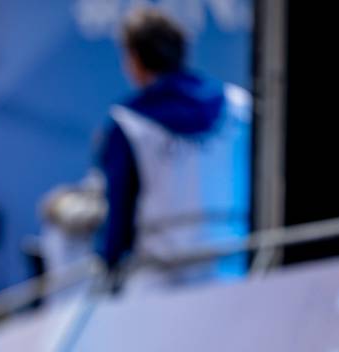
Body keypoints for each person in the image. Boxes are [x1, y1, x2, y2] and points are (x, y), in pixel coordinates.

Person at [92, 7, 252, 290]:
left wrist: (108, 264)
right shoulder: (240, 106)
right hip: (231, 273)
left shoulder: (128, 123)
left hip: (159, 282)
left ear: (134, 59)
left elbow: (119, 216)